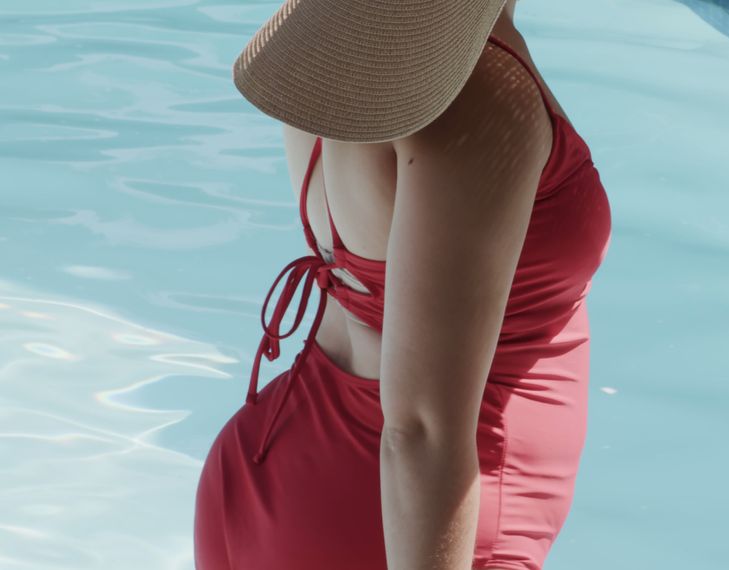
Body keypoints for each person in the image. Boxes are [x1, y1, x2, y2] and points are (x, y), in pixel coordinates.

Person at [193, 0, 612, 568]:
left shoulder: (334, 40)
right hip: (400, 523)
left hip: (273, 469)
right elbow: (419, 432)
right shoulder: (481, 93)